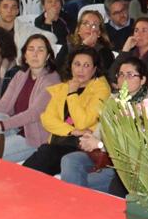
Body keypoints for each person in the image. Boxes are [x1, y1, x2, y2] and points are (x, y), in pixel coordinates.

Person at [61, 57, 148, 194]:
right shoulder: (114, 99)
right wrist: (90, 139)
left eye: (130, 75)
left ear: (143, 80)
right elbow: (101, 128)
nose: (123, 79)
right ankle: (75, 202)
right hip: (103, 156)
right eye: (121, 74)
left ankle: (75, 204)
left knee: (78, 181)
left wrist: (99, 144)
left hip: (125, 168)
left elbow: (133, 148)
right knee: (69, 160)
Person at [23, 47, 111, 175]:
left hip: (82, 147)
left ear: (94, 70)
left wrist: (72, 94)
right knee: (45, 153)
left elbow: (83, 122)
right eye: (77, 64)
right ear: (71, 67)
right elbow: (47, 119)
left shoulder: (101, 90)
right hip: (58, 144)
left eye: (86, 65)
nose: (80, 70)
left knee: (45, 155)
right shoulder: (65, 87)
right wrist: (71, 131)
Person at [0, 33, 60, 163]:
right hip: (16, 128)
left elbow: (33, 114)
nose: (35, 54)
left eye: (41, 50)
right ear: (25, 56)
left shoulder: (52, 80)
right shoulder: (21, 75)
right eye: (31, 49)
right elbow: (4, 104)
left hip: (33, 137)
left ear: (48, 56)